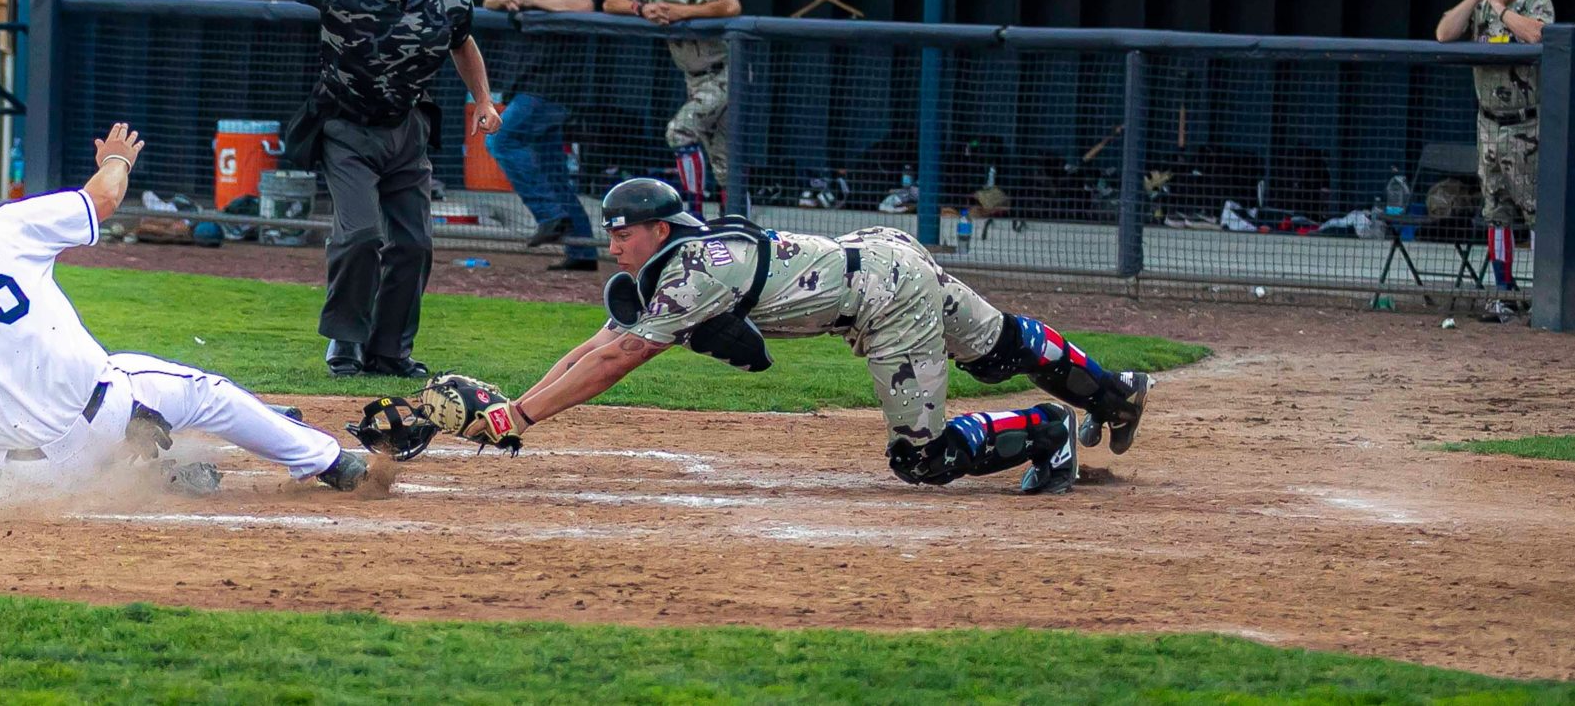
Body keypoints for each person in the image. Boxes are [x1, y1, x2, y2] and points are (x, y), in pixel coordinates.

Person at [0, 136, 373, 504]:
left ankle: (150, 473)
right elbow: (101, 199)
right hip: (105, 412)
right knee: (194, 392)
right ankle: (327, 461)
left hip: (28, 483)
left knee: (86, 419)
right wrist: (116, 159)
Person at [442, 179, 1152, 495]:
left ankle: (1047, 429)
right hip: (881, 254)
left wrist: (523, 418)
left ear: (658, 230)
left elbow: (620, 359)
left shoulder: (691, 277)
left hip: (886, 295)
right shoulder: (678, 262)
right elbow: (602, 343)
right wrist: (515, 408)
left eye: (621, 234)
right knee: (998, 348)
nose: (612, 245)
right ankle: (1116, 394)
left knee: (922, 459)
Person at [259, 0, 497, 380]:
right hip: (345, 128)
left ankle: (390, 351)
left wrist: (483, 99)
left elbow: (463, 42)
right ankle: (345, 340)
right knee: (362, 233)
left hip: (407, 129)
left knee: (413, 243)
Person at [1435, 0, 1554, 323]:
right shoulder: (1480, 4)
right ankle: (1501, 295)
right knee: (1495, 212)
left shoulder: (1536, 3)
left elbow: (1539, 36)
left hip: (1527, 125)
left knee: (1536, 213)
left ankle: (1543, 296)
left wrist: (1502, 10)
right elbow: (1444, 34)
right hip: (1488, 122)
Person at [482, 0, 599, 271]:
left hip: (555, 86)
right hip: (526, 81)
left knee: (499, 139)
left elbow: (583, 4)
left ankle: (549, 216)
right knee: (552, 172)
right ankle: (582, 252)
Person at [602, 0, 741, 217]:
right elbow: (610, 0)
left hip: (724, 73)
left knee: (681, 132)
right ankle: (733, 225)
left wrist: (683, 12)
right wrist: (641, 8)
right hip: (694, 77)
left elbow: (730, 5)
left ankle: (697, 214)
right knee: (725, 163)